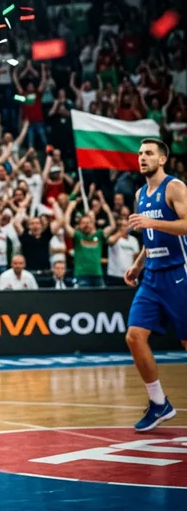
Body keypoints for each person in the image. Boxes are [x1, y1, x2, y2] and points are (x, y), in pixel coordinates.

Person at [125, 138, 187, 432]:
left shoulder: (175, 187)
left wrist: (153, 224)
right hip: (151, 277)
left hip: (179, 275)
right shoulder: (140, 193)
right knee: (134, 336)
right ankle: (159, 403)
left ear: (163, 159)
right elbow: (150, 240)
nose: (142, 158)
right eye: (140, 153)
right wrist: (138, 264)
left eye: (149, 153)